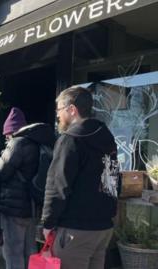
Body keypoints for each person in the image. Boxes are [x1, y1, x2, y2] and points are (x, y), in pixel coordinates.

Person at [42, 87, 119, 269]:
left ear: (72, 109)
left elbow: (58, 185)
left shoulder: (70, 139)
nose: (57, 115)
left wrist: (48, 222)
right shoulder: (107, 139)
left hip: (76, 230)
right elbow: (114, 182)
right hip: (103, 228)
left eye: (59, 109)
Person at [0, 107, 55, 269]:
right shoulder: (38, 144)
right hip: (32, 206)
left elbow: (0, 173)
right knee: (29, 250)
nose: (6, 137)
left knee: (13, 252)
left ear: (12, 131)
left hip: (13, 208)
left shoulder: (17, 144)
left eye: (7, 134)